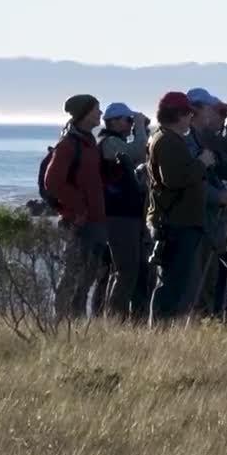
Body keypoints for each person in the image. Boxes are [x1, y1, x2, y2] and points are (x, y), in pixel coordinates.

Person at [147, 92, 214, 323]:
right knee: (173, 282)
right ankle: (161, 328)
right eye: (187, 114)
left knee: (178, 281)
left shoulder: (166, 139)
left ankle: (165, 326)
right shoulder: (167, 141)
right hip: (176, 222)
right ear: (177, 115)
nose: (190, 119)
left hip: (180, 221)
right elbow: (174, 179)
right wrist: (201, 164)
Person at [184, 88, 227, 321]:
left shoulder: (204, 137)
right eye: (213, 108)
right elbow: (191, 179)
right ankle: (200, 323)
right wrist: (218, 196)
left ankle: (209, 321)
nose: (216, 114)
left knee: (214, 277)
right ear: (197, 109)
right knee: (198, 280)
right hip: (197, 218)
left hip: (211, 220)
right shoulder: (188, 138)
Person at [44, 94, 108, 319]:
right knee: (72, 275)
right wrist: (79, 206)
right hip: (79, 221)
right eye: (96, 110)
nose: (100, 114)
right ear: (84, 113)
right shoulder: (69, 144)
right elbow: (52, 182)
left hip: (95, 220)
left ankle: (76, 322)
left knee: (87, 277)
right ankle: (62, 322)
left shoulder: (87, 141)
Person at [94, 102, 150, 320]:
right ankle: (115, 318)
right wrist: (141, 128)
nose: (130, 124)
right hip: (119, 216)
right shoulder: (109, 143)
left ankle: (116, 316)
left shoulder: (111, 141)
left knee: (126, 270)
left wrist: (139, 128)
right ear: (115, 121)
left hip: (123, 214)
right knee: (126, 271)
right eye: (127, 120)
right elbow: (138, 154)